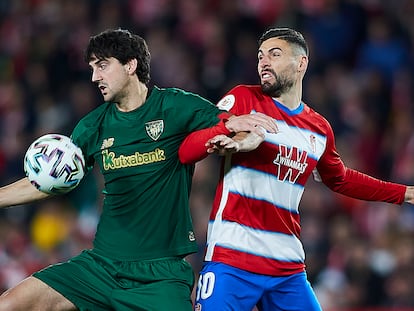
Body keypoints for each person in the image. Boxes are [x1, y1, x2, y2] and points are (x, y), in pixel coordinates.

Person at [0, 28, 277, 311]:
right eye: (93, 68)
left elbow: (236, 126)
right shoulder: (93, 125)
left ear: (131, 65)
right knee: (9, 305)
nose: (95, 77)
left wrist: (245, 140)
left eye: (103, 66)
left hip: (160, 276)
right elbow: (48, 181)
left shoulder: (175, 106)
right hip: (101, 267)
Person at [178, 27, 414, 311]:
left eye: (274, 54)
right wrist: (227, 126)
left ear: (301, 63)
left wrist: (406, 193)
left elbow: (341, 180)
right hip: (232, 260)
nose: (263, 62)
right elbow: (186, 150)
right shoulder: (243, 100)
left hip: (286, 269)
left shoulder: (318, 129)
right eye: (260, 56)